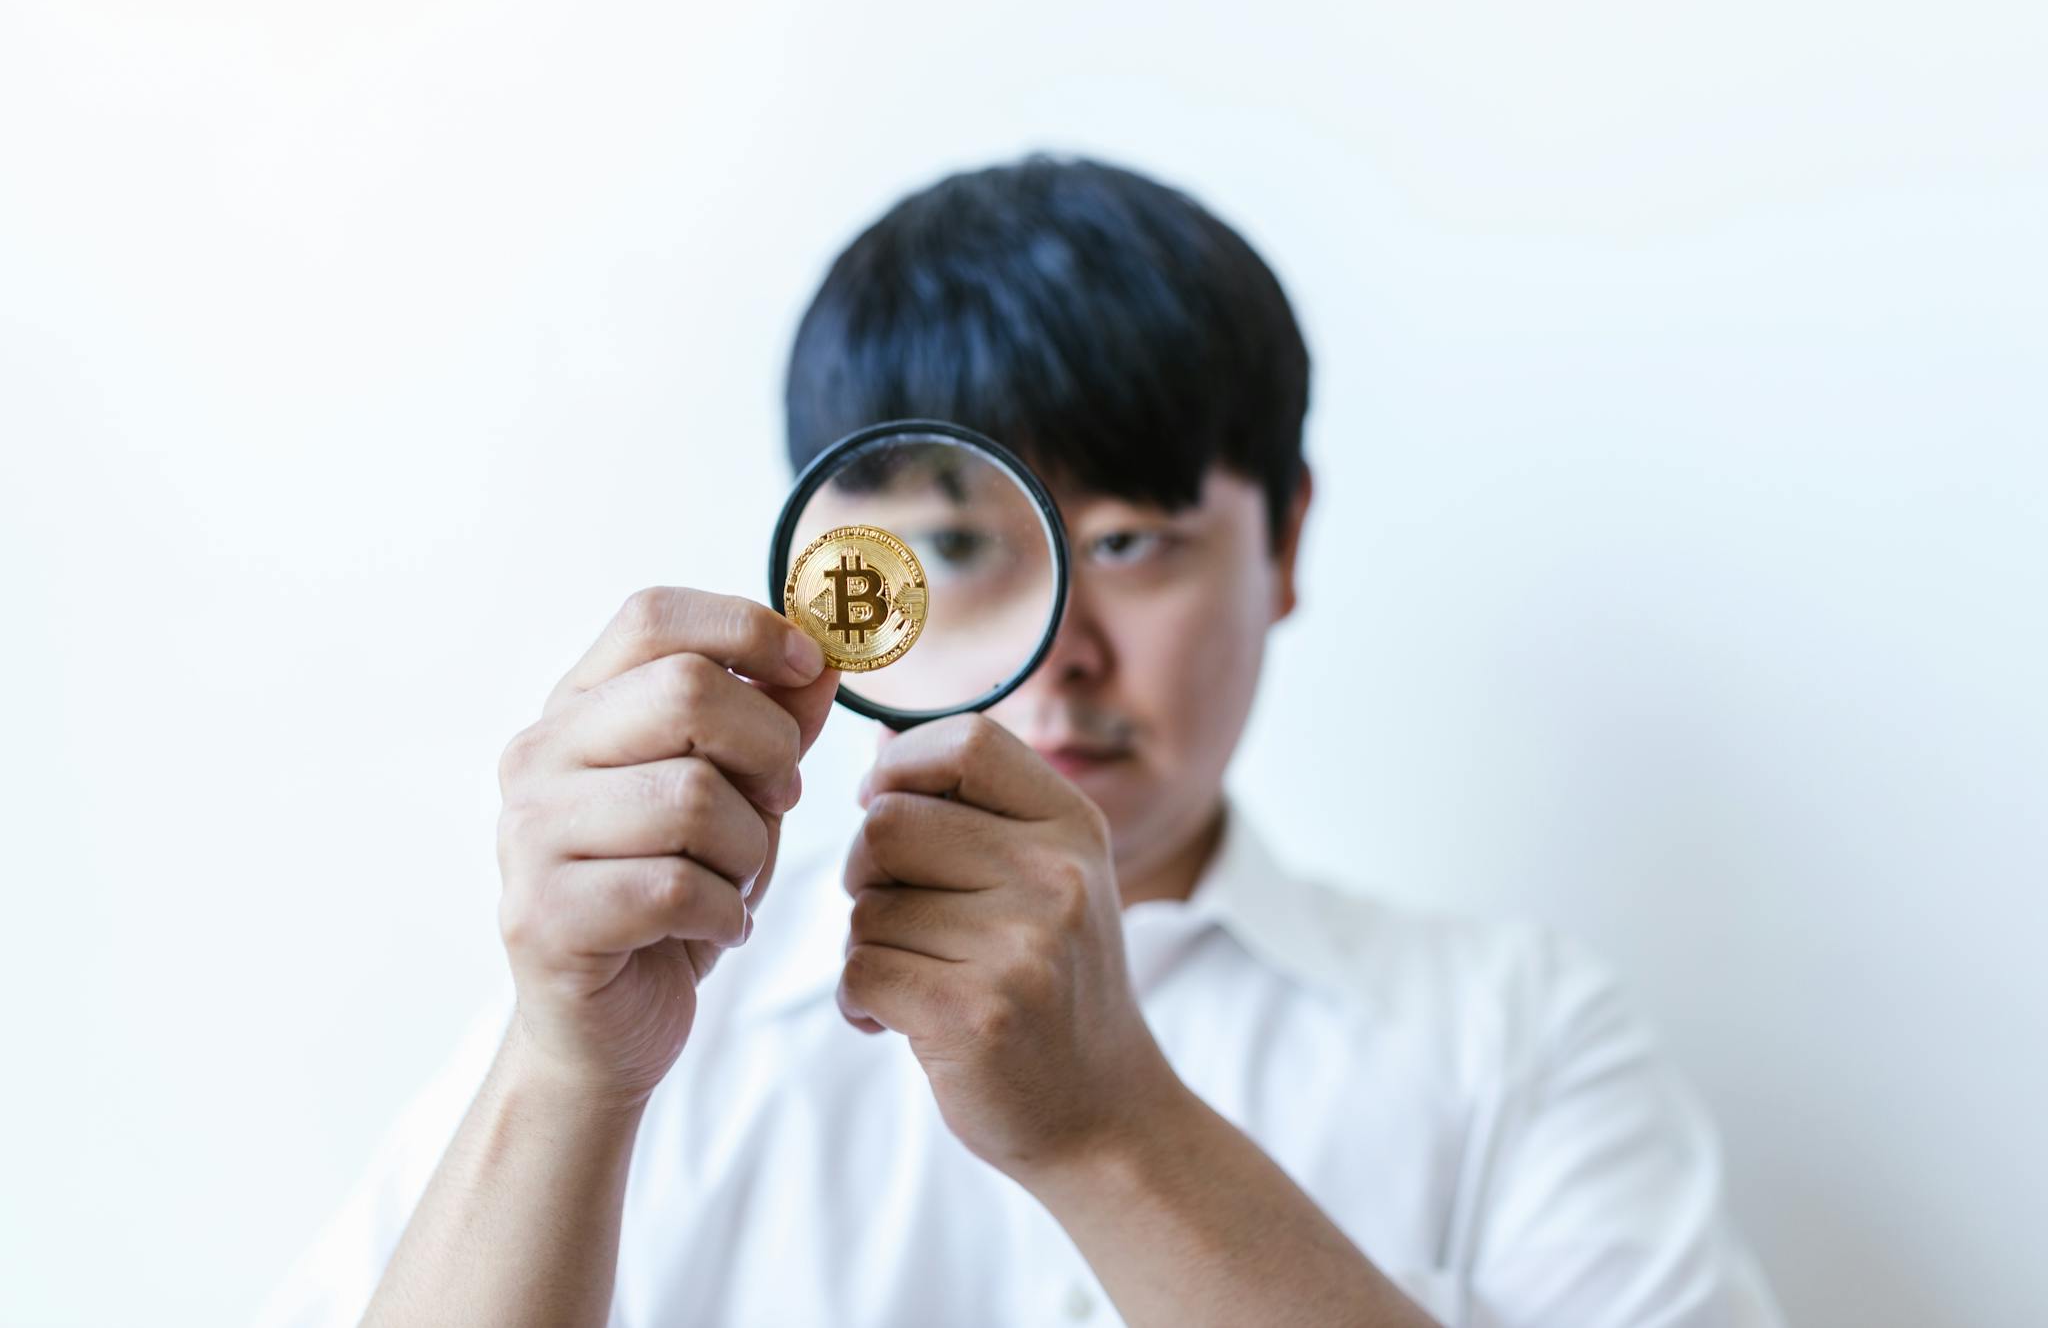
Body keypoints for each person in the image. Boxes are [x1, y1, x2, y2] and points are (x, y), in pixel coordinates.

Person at [254, 153, 1787, 1328]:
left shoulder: (1514, 1038)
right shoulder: (634, 998)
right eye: (956, 545)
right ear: (837, 566)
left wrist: (1114, 1125)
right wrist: (569, 1069)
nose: (1060, 651)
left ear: (1290, 539)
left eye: (1128, 543)